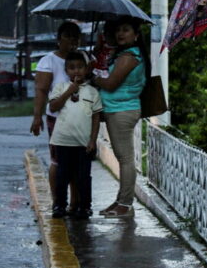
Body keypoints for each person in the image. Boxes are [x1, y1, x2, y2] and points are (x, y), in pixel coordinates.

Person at [90, 18, 148, 218]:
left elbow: (111, 84)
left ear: (136, 35)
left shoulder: (130, 56)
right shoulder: (123, 55)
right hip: (117, 109)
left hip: (122, 111)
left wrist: (93, 78)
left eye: (126, 30)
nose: (120, 34)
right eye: (118, 31)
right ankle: (120, 200)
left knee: (125, 159)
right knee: (123, 158)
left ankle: (125, 204)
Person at [30, 21, 82, 204]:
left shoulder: (84, 58)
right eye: (67, 36)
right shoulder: (49, 61)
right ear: (59, 39)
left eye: (75, 36)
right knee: (58, 162)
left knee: (79, 165)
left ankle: (76, 203)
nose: (72, 41)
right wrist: (37, 117)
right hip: (58, 119)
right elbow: (41, 91)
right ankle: (58, 201)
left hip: (81, 120)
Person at [48, 52, 103, 219]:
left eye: (80, 67)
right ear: (66, 71)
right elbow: (53, 107)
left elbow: (96, 118)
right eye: (71, 68)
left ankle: (84, 206)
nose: (76, 71)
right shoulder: (60, 88)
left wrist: (93, 140)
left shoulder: (92, 92)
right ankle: (59, 205)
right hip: (63, 141)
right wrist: (69, 91)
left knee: (83, 177)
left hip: (83, 143)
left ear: (86, 69)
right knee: (62, 175)